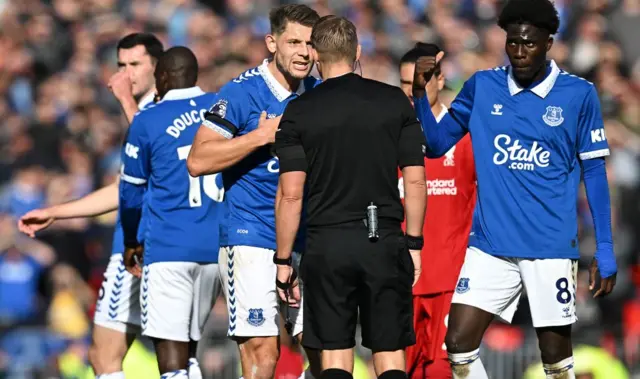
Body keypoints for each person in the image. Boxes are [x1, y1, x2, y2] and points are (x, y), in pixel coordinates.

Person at [412, 0, 618, 377]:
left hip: (549, 248)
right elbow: (438, 143)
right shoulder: (482, 86)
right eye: (513, 43)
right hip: (490, 245)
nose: (520, 52)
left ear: (549, 42)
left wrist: (604, 248)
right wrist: (421, 97)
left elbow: (595, 172)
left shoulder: (577, 95)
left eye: (529, 43)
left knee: (555, 359)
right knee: (457, 345)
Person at [272, 15, 426, 379]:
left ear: (314, 53)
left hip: (328, 244)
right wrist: (414, 243)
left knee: (336, 357)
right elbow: (416, 183)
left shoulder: (299, 111)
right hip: (384, 239)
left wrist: (283, 260)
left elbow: (290, 196)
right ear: (357, 51)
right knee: (390, 356)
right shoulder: (394, 102)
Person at [15, 33, 176, 379]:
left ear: (158, 68)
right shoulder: (155, 110)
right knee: (148, 356)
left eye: (135, 64)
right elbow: (123, 188)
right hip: (158, 245)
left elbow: (164, 159)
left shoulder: (159, 112)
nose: (126, 74)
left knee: (119, 357)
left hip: (146, 245)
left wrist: (125, 103)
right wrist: (56, 211)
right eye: (121, 65)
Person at [186, 4, 322, 379]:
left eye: (311, 44)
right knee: (264, 352)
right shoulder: (243, 93)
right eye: (294, 41)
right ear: (272, 42)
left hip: (306, 237)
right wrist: (261, 136)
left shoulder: (319, 94)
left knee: (325, 348)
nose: (304, 53)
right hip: (252, 234)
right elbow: (198, 160)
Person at [119, 46, 224, 379]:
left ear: (162, 77)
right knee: (192, 347)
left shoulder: (148, 118)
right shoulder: (222, 107)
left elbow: (131, 192)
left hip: (169, 247)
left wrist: (132, 239)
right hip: (216, 246)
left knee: (170, 349)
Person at [398, 43, 476, 379]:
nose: (411, 89)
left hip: (451, 278)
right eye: (404, 82)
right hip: (401, 279)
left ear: (440, 80)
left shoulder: (466, 138)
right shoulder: (389, 137)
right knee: (401, 371)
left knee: (446, 370)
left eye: (421, 79)